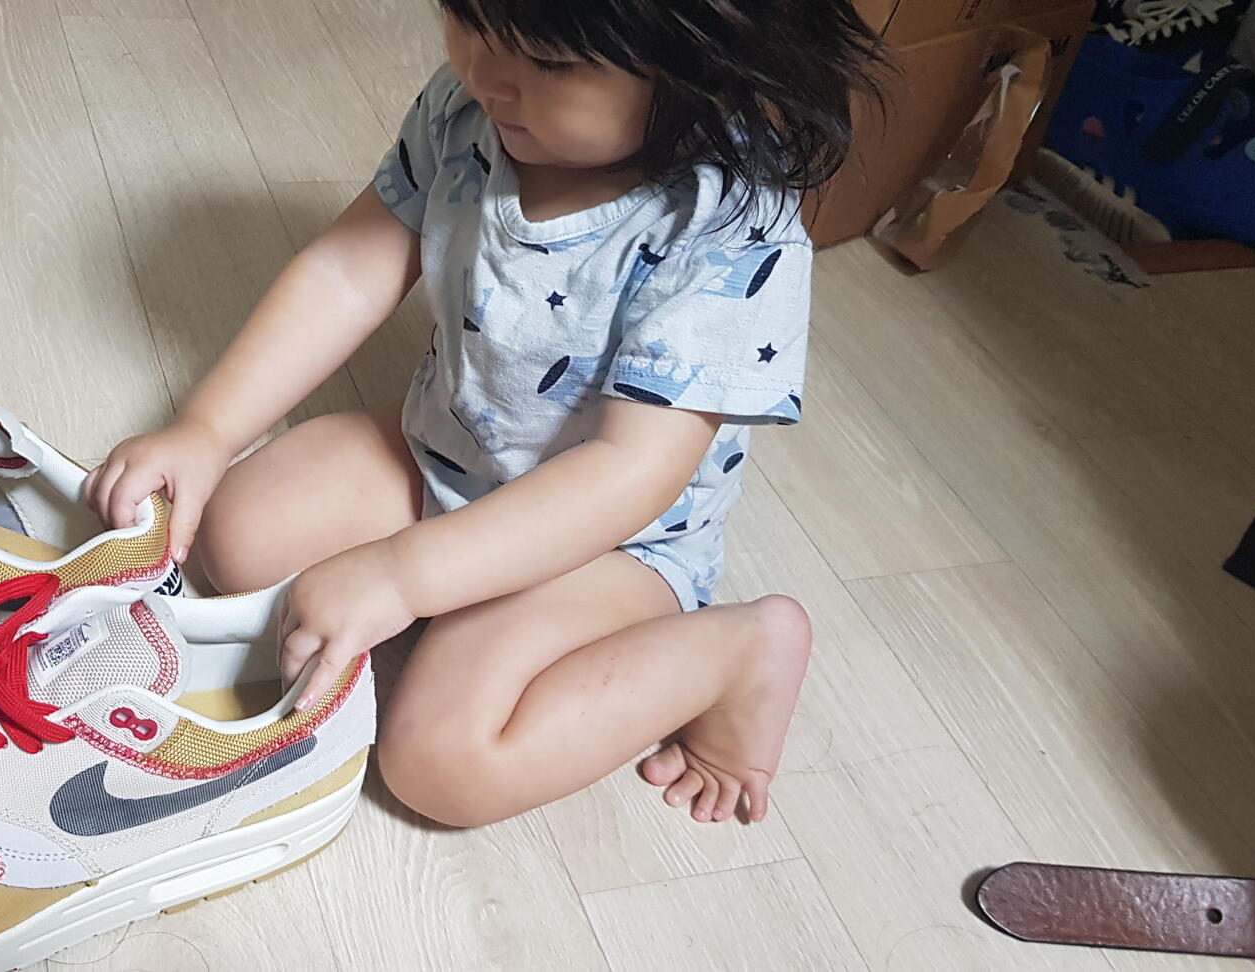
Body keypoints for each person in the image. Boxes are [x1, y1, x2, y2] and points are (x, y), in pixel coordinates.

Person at [86, 0, 882, 827]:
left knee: (439, 763)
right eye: (470, 25)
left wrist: (404, 574)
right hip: (453, 448)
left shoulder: (727, 229)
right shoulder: (470, 108)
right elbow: (346, 273)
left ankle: (742, 653)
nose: (487, 77)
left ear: (702, 67)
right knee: (238, 535)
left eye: (551, 63)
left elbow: (627, 474)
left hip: (607, 542)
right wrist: (208, 429)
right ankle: (444, 585)